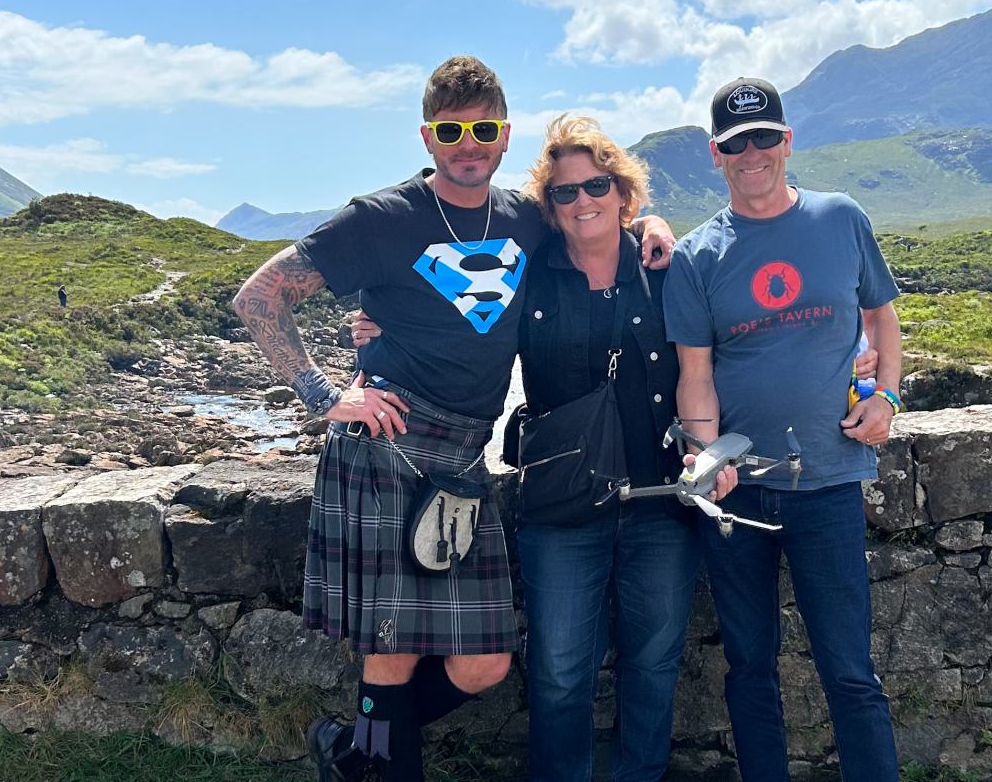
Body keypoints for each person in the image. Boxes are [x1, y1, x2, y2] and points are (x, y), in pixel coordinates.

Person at [230, 58, 675, 782]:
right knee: (393, 647)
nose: (468, 144)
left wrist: (652, 222)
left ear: (505, 136)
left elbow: (596, 214)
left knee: (484, 661)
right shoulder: (381, 218)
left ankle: (353, 752)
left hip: (464, 457)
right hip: (387, 444)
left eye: (483, 130)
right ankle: (371, 759)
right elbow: (259, 296)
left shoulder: (526, 219)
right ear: (427, 137)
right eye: (450, 131)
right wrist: (324, 394)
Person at [353, 115, 781, 782]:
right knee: (558, 673)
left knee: (654, 663)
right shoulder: (528, 276)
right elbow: (458, 323)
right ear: (549, 207)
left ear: (623, 191)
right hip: (560, 507)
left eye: (597, 185)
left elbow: (709, 366)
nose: (584, 200)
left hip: (662, 501)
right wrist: (380, 332)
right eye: (565, 192)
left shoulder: (666, 269)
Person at [662, 77, 904, 782]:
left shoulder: (841, 218)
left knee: (850, 670)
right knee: (749, 666)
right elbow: (696, 376)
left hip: (830, 480)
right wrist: (705, 456)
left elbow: (881, 316)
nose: (752, 154)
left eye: (764, 137)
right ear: (716, 154)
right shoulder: (696, 255)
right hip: (738, 491)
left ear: (787, 142)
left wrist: (888, 398)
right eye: (736, 143)